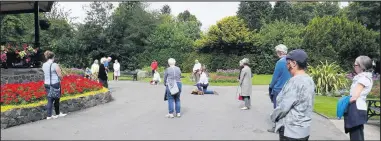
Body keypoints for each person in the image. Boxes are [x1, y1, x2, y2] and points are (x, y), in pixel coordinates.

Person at [270, 49, 315, 141]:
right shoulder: (309, 80)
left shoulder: (295, 82)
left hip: (291, 131)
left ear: (294, 63)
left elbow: (283, 107)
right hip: (304, 130)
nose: (287, 66)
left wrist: (273, 116)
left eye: (288, 63)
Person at [344, 56, 374, 141]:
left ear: (362, 66)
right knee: (358, 135)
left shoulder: (363, 79)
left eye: (355, 65)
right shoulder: (364, 77)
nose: (354, 66)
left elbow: (354, 97)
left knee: (356, 136)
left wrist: (343, 102)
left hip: (356, 109)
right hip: (359, 108)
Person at [268, 44, 292, 133]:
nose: (276, 54)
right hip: (289, 88)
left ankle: (277, 127)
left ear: (280, 52)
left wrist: (270, 87)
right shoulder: (292, 61)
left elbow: (275, 77)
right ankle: (286, 126)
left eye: (277, 52)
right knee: (287, 108)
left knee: (277, 108)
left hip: (279, 88)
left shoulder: (280, 62)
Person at [42, 50, 67, 120]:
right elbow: (60, 75)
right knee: (56, 99)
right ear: (53, 57)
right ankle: (58, 113)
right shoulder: (54, 65)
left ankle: (49, 115)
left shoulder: (44, 65)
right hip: (55, 83)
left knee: (49, 99)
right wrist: (61, 78)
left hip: (47, 83)